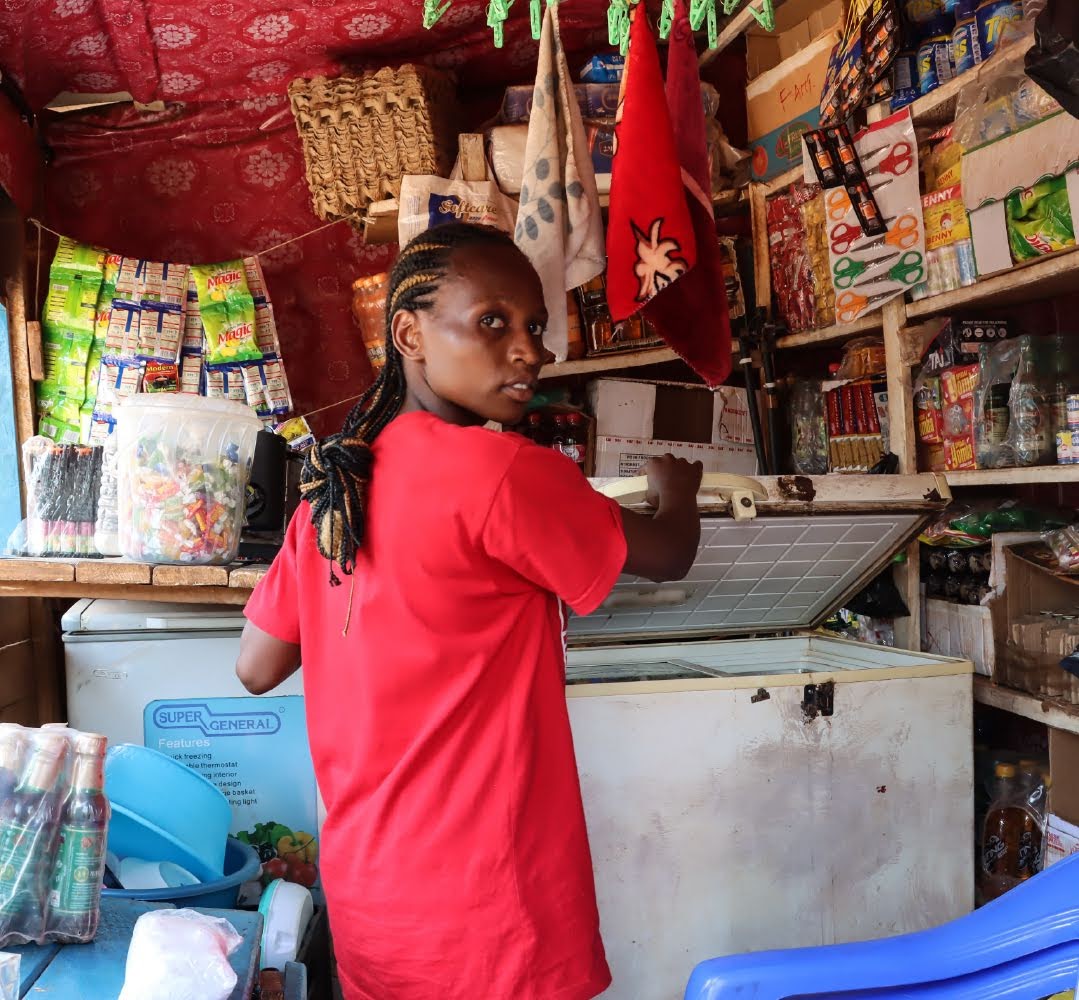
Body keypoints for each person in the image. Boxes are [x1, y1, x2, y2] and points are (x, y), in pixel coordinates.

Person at [237, 222, 703, 1000]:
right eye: (492, 322)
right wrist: (676, 492)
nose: (529, 349)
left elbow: (255, 667)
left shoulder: (331, 494)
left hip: (372, 901)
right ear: (409, 334)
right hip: (490, 905)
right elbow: (666, 555)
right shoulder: (503, 473)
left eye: (534, 327)